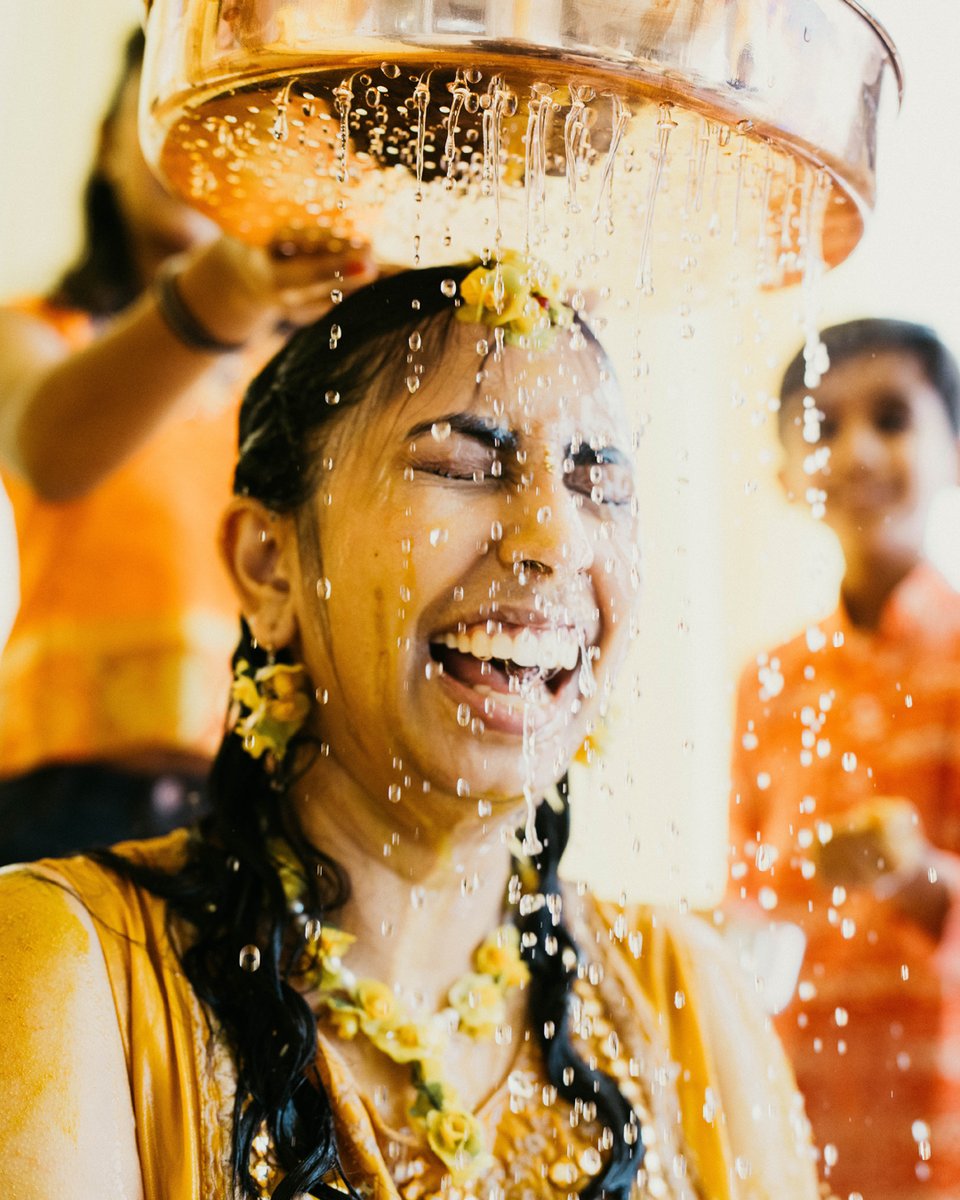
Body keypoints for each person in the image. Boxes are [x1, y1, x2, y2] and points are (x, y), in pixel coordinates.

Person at [0, 261, 819, 1200]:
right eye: (463, 467)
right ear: (269, 567)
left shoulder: (685, 997)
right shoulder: (67, 975)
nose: (553, 537)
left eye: (600, 485)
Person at [0, 29, 374, 862]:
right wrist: (226, 293)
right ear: (107, 145)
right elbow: (49, 448)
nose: (193, 151)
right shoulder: (32, 335)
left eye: (224, 120)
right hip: (55, 809)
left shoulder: (293, 372)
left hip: (246, 808)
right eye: (161, 118)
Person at [727, 318, 960, 1200]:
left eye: (892, 418)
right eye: (824, 427)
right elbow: (747, 896)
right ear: (789, 476)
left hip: (945, 1112)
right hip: (805, 1109)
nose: (858, 450)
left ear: (953, 449)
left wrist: (917, 880)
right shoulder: (771, 680)